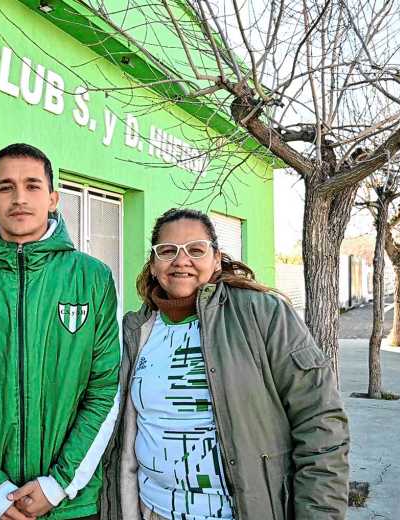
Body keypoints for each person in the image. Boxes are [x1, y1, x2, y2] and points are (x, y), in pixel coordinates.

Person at [101, 208, 349, 520]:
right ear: (153, 264)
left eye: (196, 250)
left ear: (216, 259)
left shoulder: (262, 313)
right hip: (153, 511)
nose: (181, 261)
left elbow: (320, 420)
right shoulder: (136, 331)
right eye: (167, 251)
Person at [0, 143, 121, 520]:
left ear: (53, 198)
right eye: (6, 187)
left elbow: (106, 388)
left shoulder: (93, 278)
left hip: (69, 504)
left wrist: (59, 484)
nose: (19, 197)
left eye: (32, 186)